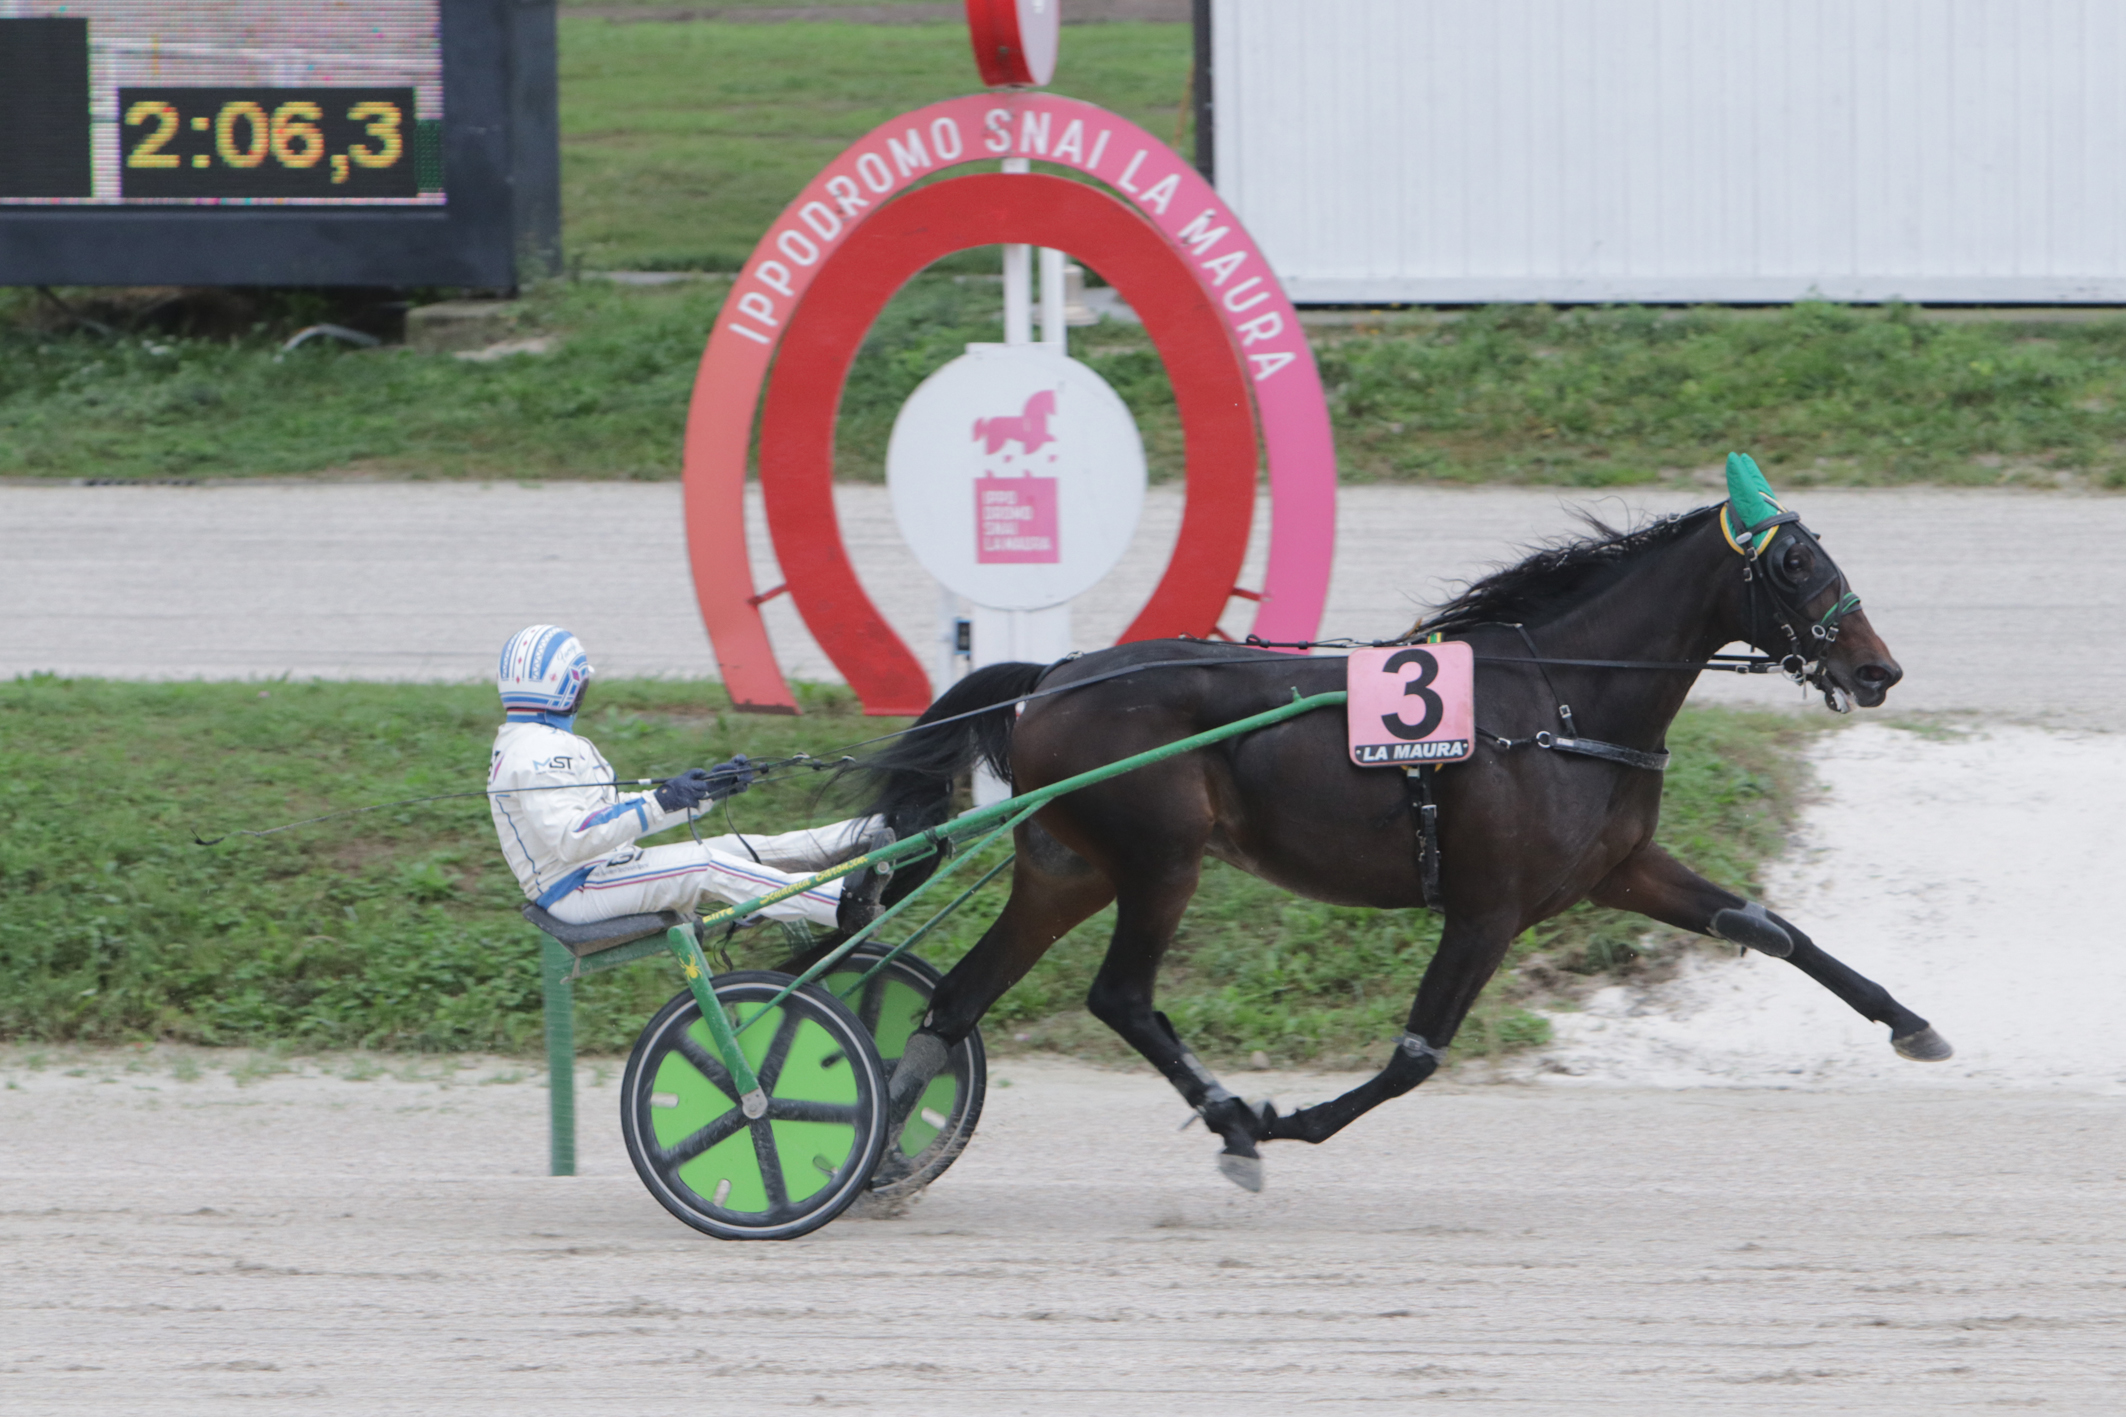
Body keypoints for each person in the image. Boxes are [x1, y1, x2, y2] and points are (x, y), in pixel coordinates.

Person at [486, 625, 890, 933]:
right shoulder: (539, 751)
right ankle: (839, 903)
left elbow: (608, 820)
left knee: (736, 847)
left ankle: (870, 833)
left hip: (602, 872)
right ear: (572, 686)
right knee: (706, 864)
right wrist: (660, 801)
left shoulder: (536, 742)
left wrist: (700, 795)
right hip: (579, 889)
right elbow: (574, 838)